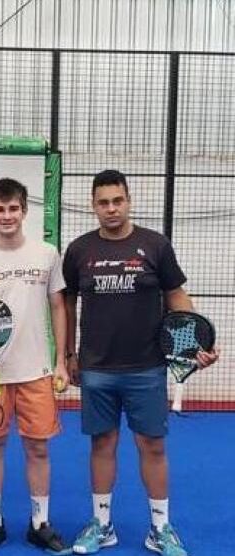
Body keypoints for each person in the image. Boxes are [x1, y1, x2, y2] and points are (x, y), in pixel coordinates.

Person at [63, 169, 219, 556]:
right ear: (93, 205)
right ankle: (102, 524)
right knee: (102, 444)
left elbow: (176, 296)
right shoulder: (79, 250)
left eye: (118, 200)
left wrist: (199, 341)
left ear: (128, 200)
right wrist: (67, 354)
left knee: (152, 446)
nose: (111, 208)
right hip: (96, 367)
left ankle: (160, 529)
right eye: (103, 202)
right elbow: (66, 302)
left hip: (147, 367)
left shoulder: (155, 245)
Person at [0, 178, 72, 555]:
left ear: (24, 211)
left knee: (38, 449)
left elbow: (58, 306)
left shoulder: (46, 254)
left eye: (13, 209)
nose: (6, 216)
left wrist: (60, 361)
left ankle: (40, 523)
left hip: (37, 372)